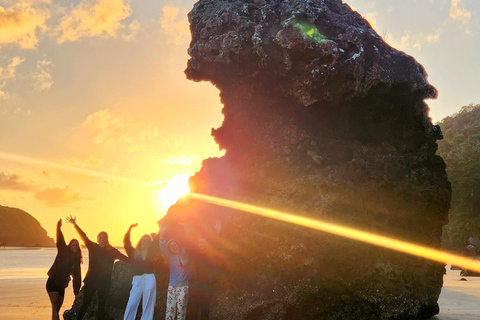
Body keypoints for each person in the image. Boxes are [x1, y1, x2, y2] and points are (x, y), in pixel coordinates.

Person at [67, 215, 129, 320]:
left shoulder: (111, 251)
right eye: (100, 237)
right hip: (91, 280)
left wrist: (137, 262)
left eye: (104, 237)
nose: (102, 239)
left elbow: (124, 258)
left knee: (101, 306)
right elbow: (84, 236)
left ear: (106, 239)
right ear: (97, 238)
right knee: (85, 304)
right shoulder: (93, 247)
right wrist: (75, 225)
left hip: (104, 282)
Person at [123, 223, 160, 320]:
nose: (145, 242)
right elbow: (126, 243)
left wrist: (160, 228)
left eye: (147, 241)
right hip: (137, 278)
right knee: (132, 303)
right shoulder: (133, 252)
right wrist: (129, 229)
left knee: (148, 303)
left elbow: (156, 241)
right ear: (140, 241)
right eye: (143, 240)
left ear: (150, 243)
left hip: (149, 277)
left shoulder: (151, 251)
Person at [47, 219, 82, 320]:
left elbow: (77, 277)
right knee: (54, 305)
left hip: (62, 285)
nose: (75, 247)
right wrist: (58, 226)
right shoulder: (63, 251)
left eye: (76, 245)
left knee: (57, 308)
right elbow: (60, 239)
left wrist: (76, 292)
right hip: (53, 281)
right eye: (73, 245)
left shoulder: (76, 261)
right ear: (69, 245)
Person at [159, 224, 189, 320]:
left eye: (175, 245)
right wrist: (162, 235)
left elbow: (183, 261)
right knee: (170, 310)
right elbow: (162, 246)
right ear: (170, 248)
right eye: (171, 246)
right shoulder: (170, 257)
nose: (174, 247)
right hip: (172, 286)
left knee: (181, 310)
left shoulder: (185, 253)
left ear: (178, 245)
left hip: (183, 287)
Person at [187, 237, 219, 320]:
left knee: (205, 309)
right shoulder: (195, 255)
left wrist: (211, 280)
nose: (201, 244)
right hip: (195, 286)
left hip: (206, 286)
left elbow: (215, 268)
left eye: (203, 242)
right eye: (199, 243)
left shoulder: (212, 255)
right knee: (193, 309)